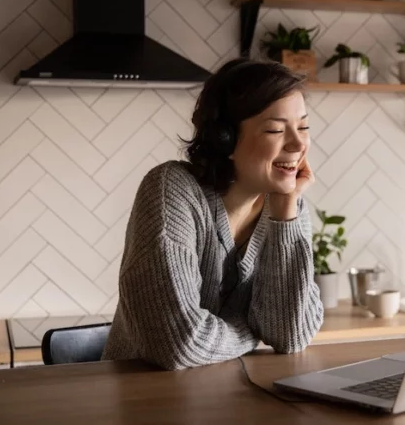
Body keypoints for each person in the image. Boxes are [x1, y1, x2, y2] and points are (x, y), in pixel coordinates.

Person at [102, 59, 324, 370]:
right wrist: (251, 329)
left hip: (230, 398)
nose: (299, 144)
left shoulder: (290, 207)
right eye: (275, 129)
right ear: (226, 139)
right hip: (142, 400)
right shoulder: (172, 190)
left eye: (303, 127)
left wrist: (285, 214)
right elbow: (178, 344)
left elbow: (290, 336)